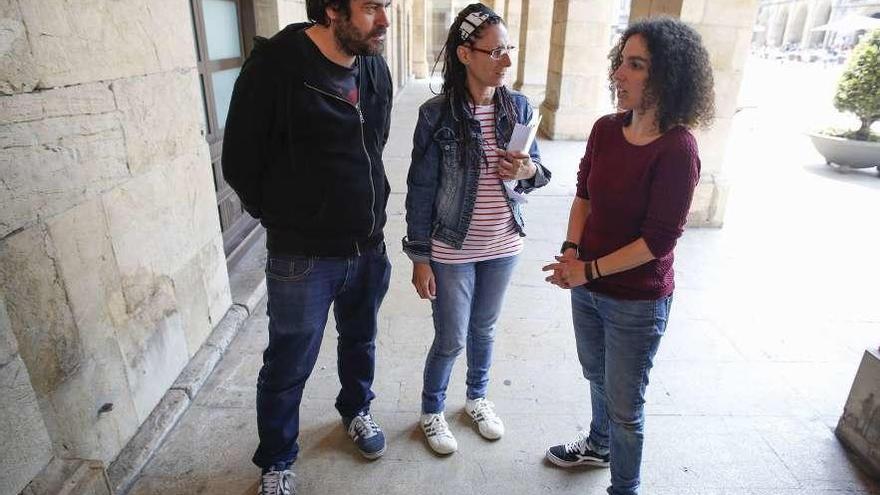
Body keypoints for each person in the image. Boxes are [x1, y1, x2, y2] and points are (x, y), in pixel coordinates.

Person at [221, 1, 393, 494]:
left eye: (388, 6)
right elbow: (240, 161)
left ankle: (356, 410)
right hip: (303, 257)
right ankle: (276, 460)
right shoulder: (276, 66)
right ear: (333, 9)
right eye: (371, 7)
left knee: (361, 340)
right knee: (289, 362)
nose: (383, 20)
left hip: (368, 246)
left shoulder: (374, 65)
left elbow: (374, 146)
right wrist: (289, 219)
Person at [541, 17, 715, 495]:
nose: (619, 73)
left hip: (636, 301)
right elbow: (583, 196)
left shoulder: (678, 150)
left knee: (625, 406)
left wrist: (587, 270)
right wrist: (572, 252)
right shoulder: (604, 129)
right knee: (594, 373)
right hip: (587, 287)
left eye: (635, 65)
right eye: (621, 61)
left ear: (667, 77)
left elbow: (658, 241)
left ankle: (625, 488)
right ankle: (598, 446)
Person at [402, 3, 550, 455]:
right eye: (496, 51)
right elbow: (421, 188)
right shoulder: (436, 114)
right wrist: (420, 257)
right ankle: (432, 410)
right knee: (450, 338)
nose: (506, 61)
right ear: (465, 54)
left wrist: (525, 171)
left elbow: (541, 174)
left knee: (484, 330)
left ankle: (477, 400)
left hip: (503, 243)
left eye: (509, 49)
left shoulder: (519, 106)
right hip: (451, 248)